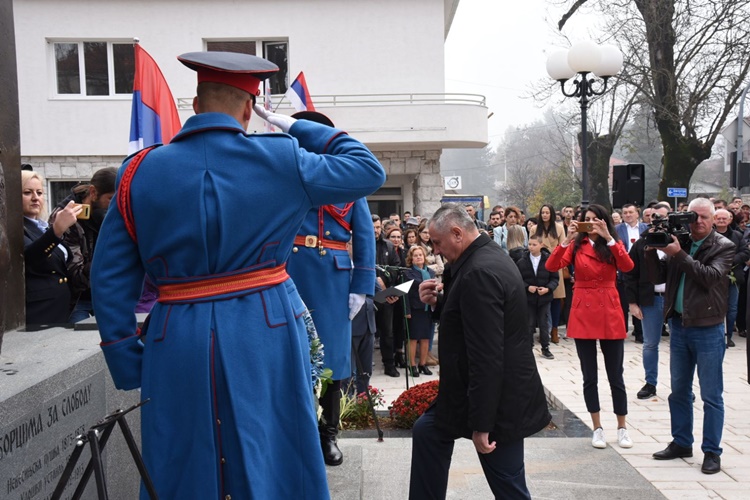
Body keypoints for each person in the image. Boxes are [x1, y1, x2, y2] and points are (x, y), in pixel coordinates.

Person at [90, 51, 385, 499]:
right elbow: (367, 168)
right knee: (271, 449)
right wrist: (294, 124)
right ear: (250, 109)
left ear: (194, 102)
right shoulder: (282, 158)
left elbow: (109, 276)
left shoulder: (137, 172)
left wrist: (126, 358)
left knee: (181, 458)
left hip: (174, 334)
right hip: (265, 327)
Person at [411, 204, 550, 499]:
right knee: (428, 432)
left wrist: (483, 425)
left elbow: (487, 355)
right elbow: (468, 322)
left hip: (499, 402)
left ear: (458, 233)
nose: (435, 251)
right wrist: (439, 306)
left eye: (437, 243)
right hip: (474, 393)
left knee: (509, 486)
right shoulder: (483, 258)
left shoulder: (479, 272)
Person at [285, 109, 375, 467]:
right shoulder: (287, 173)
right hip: (289, 271)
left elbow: (364, 235)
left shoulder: (350, 180)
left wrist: (362, 286)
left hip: (334, 280)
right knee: (292, 356)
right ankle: (298, 433)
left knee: (334, 362)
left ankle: (328, 433)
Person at [646, 197, 734, 475]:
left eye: (704, 218)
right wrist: (651, 248)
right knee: (679, 392)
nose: (697, 222)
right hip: (680, 327)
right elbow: (656, 276)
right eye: (693, 217)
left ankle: (712, 451)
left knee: (711, 395)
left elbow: (708, 276)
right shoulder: (679, 242)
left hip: (708, 328)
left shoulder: (724, 246)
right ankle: (682, 442)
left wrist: (678, 254)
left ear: (713, 219)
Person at [545, 204, 635, 449]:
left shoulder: (612, 243)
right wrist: (567, 239)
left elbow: (627, 267)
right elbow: (552, 266)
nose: (591, 223)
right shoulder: (576, 245)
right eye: (587, 220)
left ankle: (622, 426)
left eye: (596, 219)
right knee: (589, 376)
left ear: (604, 221)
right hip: (584, 307)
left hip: (609, 307)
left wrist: (609, 237)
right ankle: (597, 427)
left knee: (616, 374)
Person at [48, 167, 117, 323]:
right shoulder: (67, 219)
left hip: (107, 296)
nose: (115, 206)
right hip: (77, 300)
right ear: (93, 192)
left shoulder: (110, 216)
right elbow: (76, 276)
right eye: (111, 199)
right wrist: (111, 252)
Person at [22, 170, 81, 326]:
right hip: (40, 312)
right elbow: (29, 257)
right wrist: (57, 230)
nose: (35, 198)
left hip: (62, 308)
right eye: (27, 192)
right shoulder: (14, 228)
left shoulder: (42, 226)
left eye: (39, 192)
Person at [624, 203, 670, 400]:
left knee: (679, 345)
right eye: (653, 216)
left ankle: (683, 386)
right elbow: (630, 274)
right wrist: (632, 302)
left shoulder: (678, 241)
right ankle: (650, 383)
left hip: (673, 299)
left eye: (661, 217)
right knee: (650, 344)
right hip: (650, 300)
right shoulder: (641, 243)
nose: (657, 220)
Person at [515, 234, 558, 359]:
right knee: (529, 323)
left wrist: (548, 288)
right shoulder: (522, 261)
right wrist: (527, 287)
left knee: (543, 323)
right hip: (529, 298)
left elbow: (555, 278)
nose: (531, 247)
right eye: (530, 244)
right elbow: (518, 279)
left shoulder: (549, 259)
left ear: (541, 245)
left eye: (534, 245)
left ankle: (545, 348)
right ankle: (528, 349)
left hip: (544, 297)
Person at [713, 208, 749, 348]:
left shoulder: (738, 235)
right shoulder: (710, 235)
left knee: (732, 308)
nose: (721, 221)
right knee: (716, 306)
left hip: (733, 276)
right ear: (714, 219)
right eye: (718, 218)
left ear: (730, 220)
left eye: (724, 218)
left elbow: (745, 252)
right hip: (715, 276)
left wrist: (730, 261)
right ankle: (718, 334)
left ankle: (728, 336)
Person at [532, 204, 566, 344]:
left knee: (556, 300)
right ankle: (543, 330)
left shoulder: (559, 228)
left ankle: (555, 330)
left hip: (555, 265)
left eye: (547, 212)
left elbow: (564, 246)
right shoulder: (535, 229)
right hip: (540, 266)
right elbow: (532, 245)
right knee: (541, 299)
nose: (545, 215)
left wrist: (550, 250)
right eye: (543, 212)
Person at [373, 214, 403, 377]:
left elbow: (396, 267)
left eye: (378, 227)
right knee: (367, 332)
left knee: (388, 332)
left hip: (386, 295)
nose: (375, 231)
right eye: (373, 227)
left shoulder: (389, 246)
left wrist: (384, 279)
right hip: (367, 296)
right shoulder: (360, 244)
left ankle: (389, 365)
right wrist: (374, 280)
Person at [616, 204, 648, 343]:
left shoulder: (645, 229)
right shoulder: (617, 230)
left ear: (637, 214)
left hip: (641, 271)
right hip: (623, 272)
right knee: (623, 303)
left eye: (630, 212)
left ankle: (640, 332)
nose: (628, 215)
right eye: (625, 212)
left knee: (640, 302)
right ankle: (621, 331)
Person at [402, 245, 436, 377]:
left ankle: (422, 364)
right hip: (414, 309)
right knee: (413, 338)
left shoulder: (431, 272)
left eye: (420, 255)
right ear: (411, 258)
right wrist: (406, 310)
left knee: (425, 338)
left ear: (424, 257)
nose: (418, 257)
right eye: (415, 255)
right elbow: (404, 293)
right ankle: (412, 365)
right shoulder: (407, 273)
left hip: (427, 309)